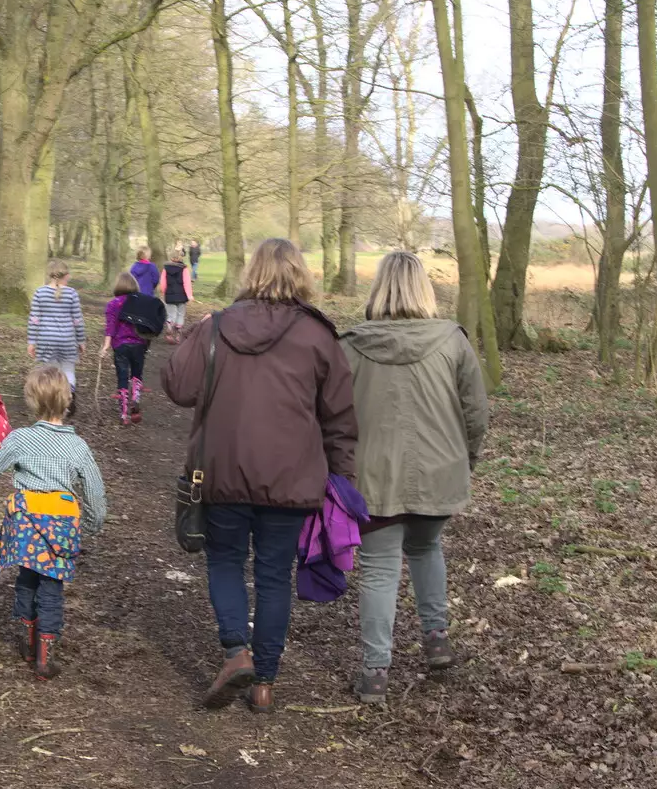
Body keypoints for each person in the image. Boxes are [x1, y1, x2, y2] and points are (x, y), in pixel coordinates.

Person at [162, 238, 358, 713]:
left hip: (222, 472)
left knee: (225, 561)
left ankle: (236, 652)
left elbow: (177, 386)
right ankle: (264, 682)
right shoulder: (318, 336)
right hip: (291, 481)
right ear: (300, 274)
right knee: (273, 577)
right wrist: (341, 477)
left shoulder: (218, 326)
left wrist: (196, 334)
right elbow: (340, 416)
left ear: (252, 273)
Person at [341, 251, 488, 705]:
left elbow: (331, 415)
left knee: (380, 569)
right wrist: (468, 458)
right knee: (426, 548)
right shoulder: (452, 340)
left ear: (378, 288)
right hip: (439, 469)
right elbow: (475, 412)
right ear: (424, 288)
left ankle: (375, 673)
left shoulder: (349, 346)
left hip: (373, 476)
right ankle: (437, 637)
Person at [0, 366, 107, 681]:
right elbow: (95, 492)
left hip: (26, 523)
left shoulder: (20, 439)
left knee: (26, 578)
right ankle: (45, 656)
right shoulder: (78, 447)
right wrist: (89, 525)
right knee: (52, 587)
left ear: (31, 402)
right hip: (61, 526)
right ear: (67, 400)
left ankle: (27, 641)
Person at [28, 259, 86, 412]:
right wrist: (81, 340)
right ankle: (69, 395)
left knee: (49, 371)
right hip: (67, 339)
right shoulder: (72, 293)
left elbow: (34, 319)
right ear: (66, 276)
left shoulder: (40, 292)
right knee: (68, 370)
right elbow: (77, 320)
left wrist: (32, 342)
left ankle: (50, 401)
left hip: (46, 340)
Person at [102, 271, 151, 425]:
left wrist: (106, 346)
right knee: (136, 374)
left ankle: (124, 414)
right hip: (139, 345)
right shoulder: (141, 303)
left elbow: (110, 327)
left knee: (122, 377)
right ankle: (135, 397)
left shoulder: (113, 304)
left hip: (120, 346)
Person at [156, 244, 193, 344]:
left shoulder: (165, 268)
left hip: (170, 296)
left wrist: (164, 292)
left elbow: (163, 283)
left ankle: (169, 326)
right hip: (182, 296)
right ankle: (178, 333)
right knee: (180, 314)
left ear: (171, 257)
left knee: (171, 314)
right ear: (181, 257)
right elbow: (187, 283)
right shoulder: (184, 269)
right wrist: (189, 295)